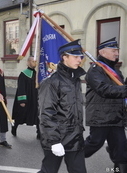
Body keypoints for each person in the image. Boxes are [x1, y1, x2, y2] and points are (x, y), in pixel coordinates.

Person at [37, 40, 87, 173]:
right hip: (57, 138)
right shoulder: (51, 82)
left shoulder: (75, 79)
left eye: (80, 56)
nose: (80, 60)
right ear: (65, 57)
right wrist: (54, 141)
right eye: (76, 57)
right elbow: (46, 113)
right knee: (48, 171)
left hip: (75, 138)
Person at [84, 37, 127, 172]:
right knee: (94, 143)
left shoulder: (115, 70)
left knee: (121, 146)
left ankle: (120, 168)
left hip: (116, 116)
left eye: (117, 51)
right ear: (102, 52)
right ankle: (73, 156)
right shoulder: (96, 70)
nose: (117, 53)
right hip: (100, 116)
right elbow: (104, 89)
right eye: (114, 50)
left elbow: (121, 89)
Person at [11, 56, 39, 139]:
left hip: (35, 98)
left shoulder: (37, 74)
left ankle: (39, 132)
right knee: (21, 115)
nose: (34, 62)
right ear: (28, 62)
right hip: (26, 98)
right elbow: (21, 88)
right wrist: (22, 100)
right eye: (32, 61)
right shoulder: (24, 74)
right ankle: (14, 127)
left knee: (37, 115)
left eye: (35, 61)